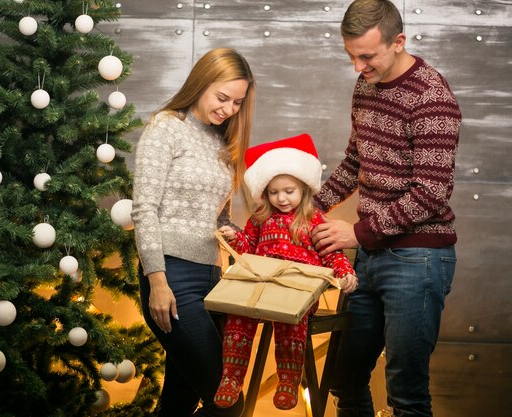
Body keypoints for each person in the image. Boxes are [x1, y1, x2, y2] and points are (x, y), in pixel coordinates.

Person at [311, 1, 462, 416]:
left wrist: (355, 234)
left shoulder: (432, 96)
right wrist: (312, 206)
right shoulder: (365, 85)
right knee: (345, 378)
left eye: (367, 56)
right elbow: (357, 162)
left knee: (406, 392)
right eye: (351, 56)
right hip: (370, 257)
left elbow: (431, 193)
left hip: (418, 258)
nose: (358, 67)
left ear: (399, 42)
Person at [131, 47, 255, 417]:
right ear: (201, 83)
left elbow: (217, 219)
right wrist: (157, 280)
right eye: (223, 98)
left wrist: (233, 231)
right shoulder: (166, 127)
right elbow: (144, 208)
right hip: (172, 276)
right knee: (227, 401)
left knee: (179, 402)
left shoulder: (223, 142)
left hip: (212, 277)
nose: (229, 109)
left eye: (237, 102)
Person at [213, 134, 358, 411]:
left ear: (303, 189)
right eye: (274, 192)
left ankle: (289, 381)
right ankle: (231, 377)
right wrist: (234, 237)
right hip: (260, 286)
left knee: (292, 321)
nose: (281, 198)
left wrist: (343, 273)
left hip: (297, 290)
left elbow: (332, 252)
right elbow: (248, 250)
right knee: (238, 317)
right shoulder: (260, 218)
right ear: (265, 193)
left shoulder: (313, 219)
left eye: (289, 191)